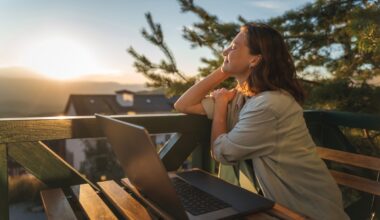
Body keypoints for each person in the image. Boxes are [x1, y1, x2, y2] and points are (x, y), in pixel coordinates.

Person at [174, 23, 349, 219]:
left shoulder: (269, 105)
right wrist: (224, 69)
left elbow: (222, 153)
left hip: (305, 210)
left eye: (233, 47)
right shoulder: (241, 97)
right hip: (269, 206)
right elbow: (183, 105)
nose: (225, 50)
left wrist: (221, 105)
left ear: (255, 59)